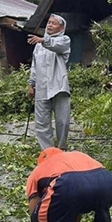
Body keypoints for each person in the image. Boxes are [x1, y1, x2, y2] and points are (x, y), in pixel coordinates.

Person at [28, 14, 71, 150]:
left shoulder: (64, 40)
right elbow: (34, 66)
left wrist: (42, 40)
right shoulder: (39, 46)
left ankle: (61, 146)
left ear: (61, 27)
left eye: (54, 23)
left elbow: (55, 45)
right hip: (41, 86)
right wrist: (31, 83)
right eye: (49, 22)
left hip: (58, 85)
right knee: (41, 121)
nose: (49, 25)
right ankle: (48, 150)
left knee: (62, 120)